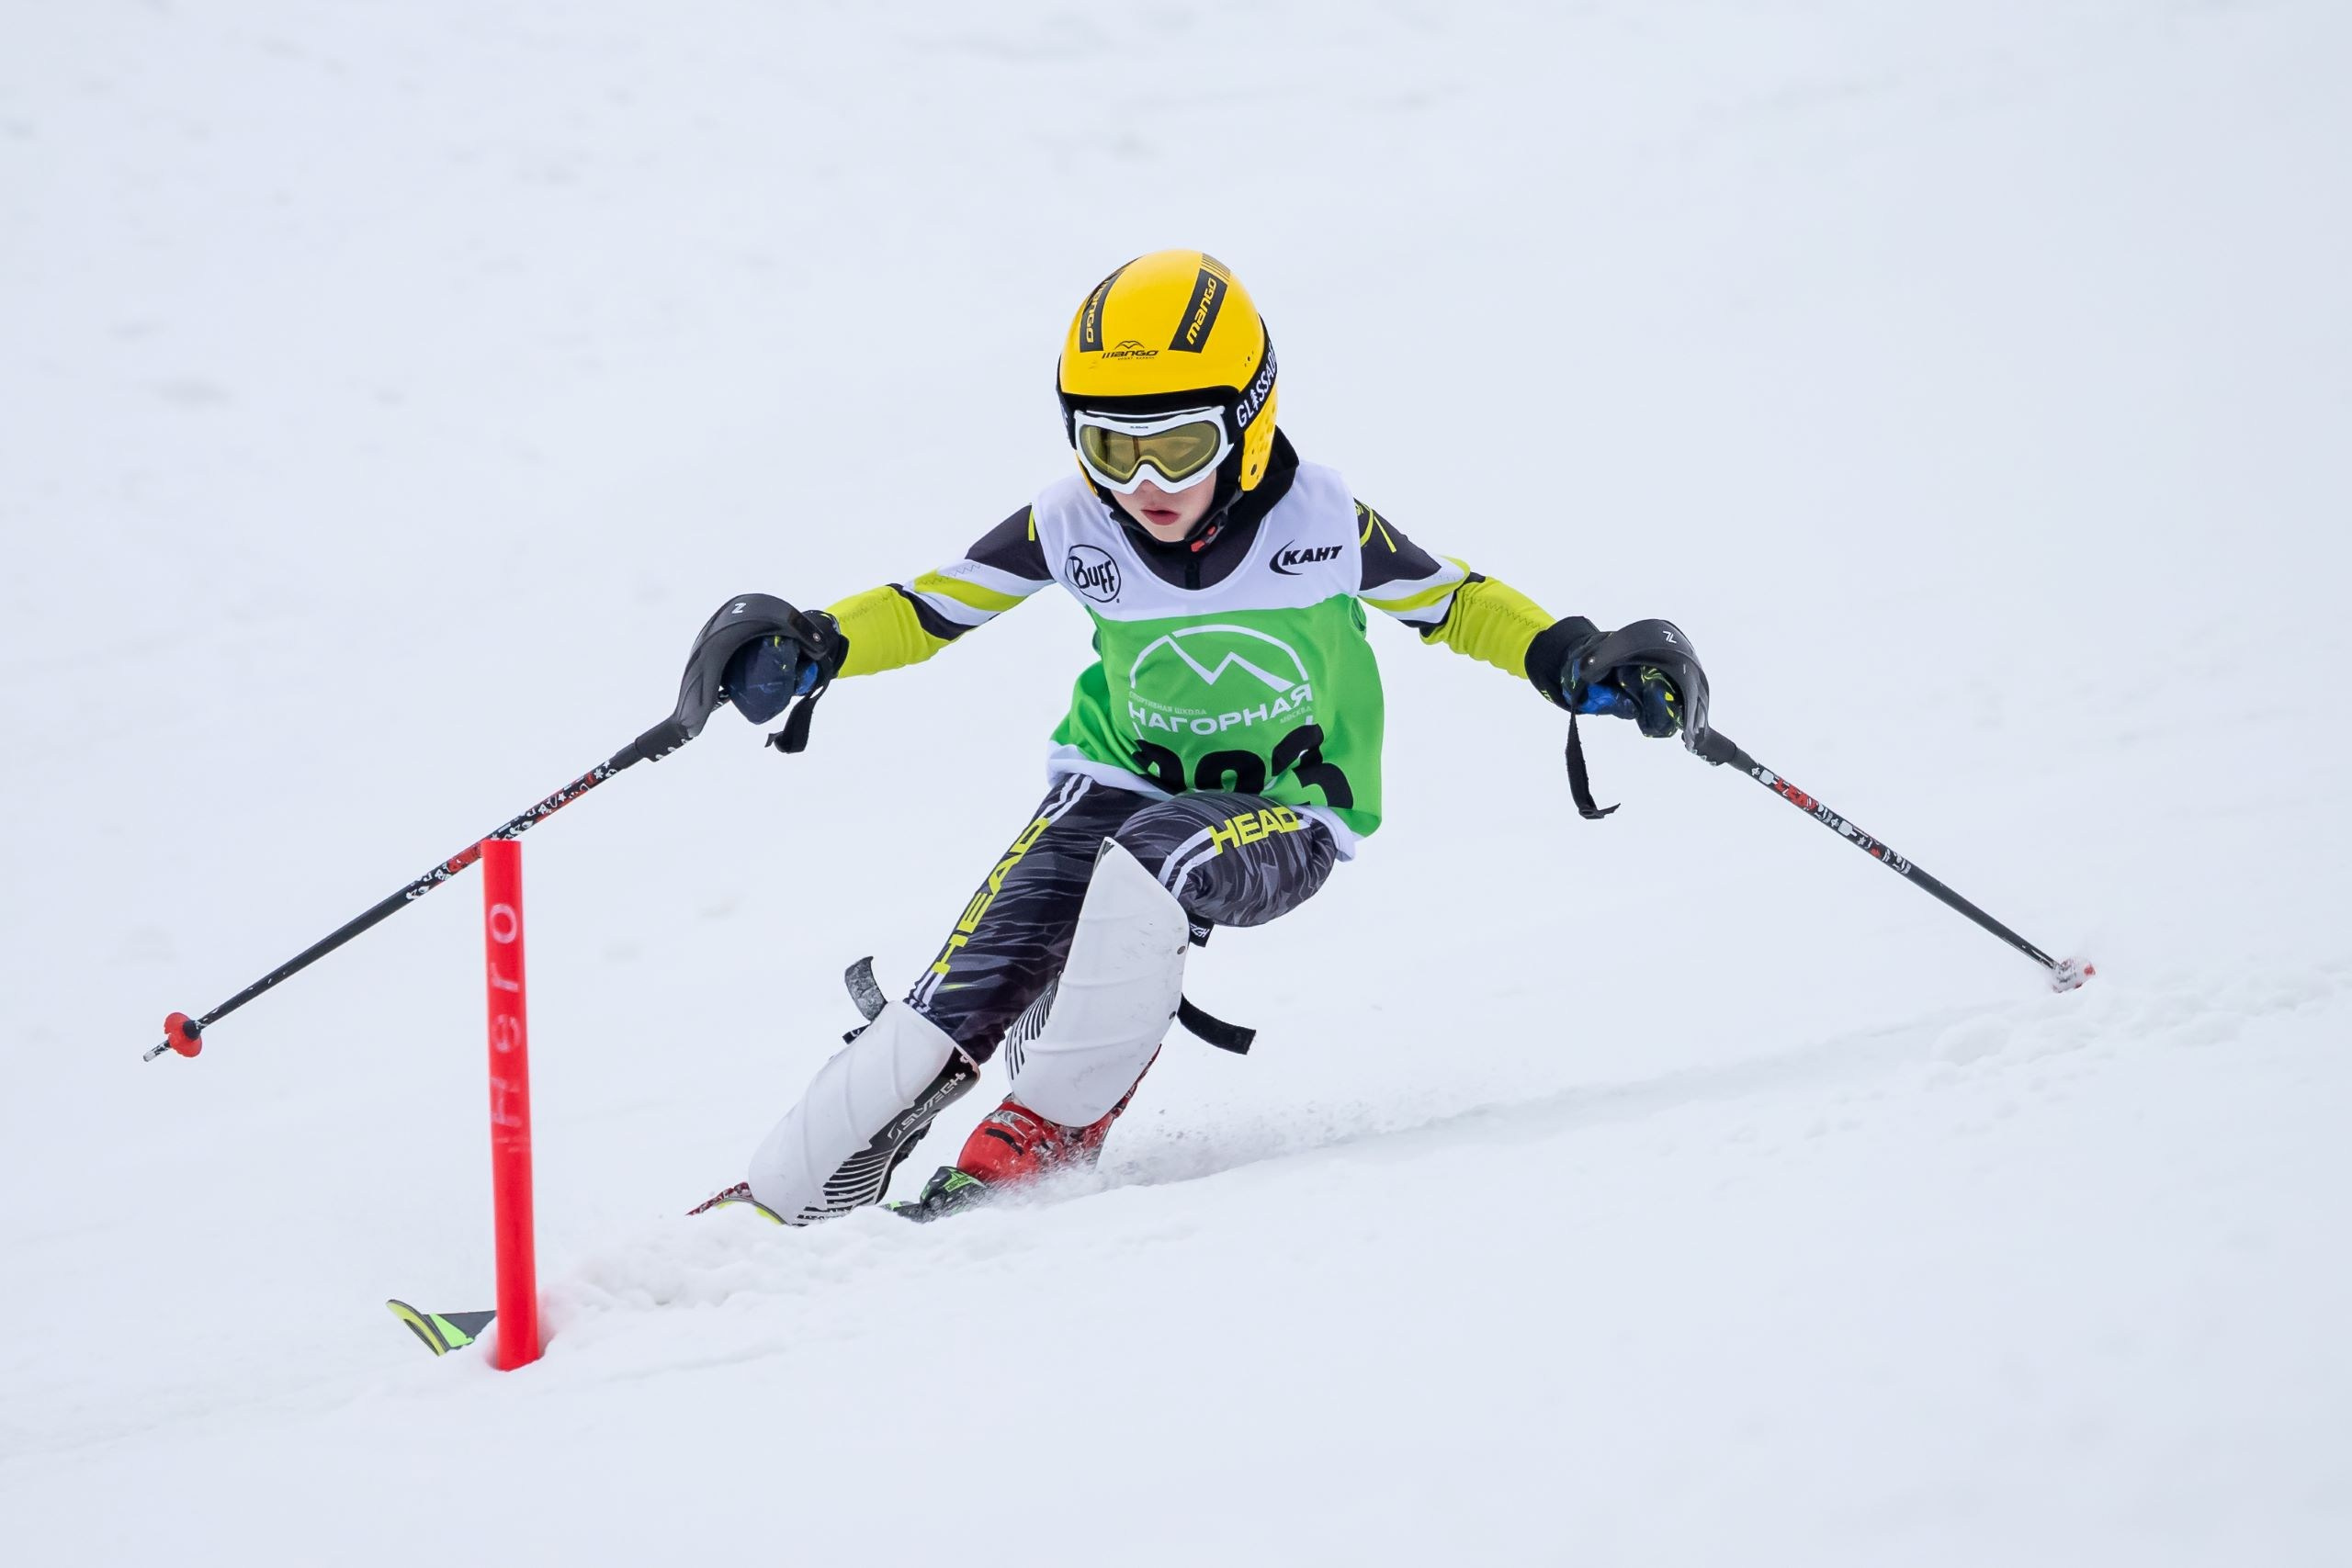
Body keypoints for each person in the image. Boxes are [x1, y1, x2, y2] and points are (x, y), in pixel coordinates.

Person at [677, 249, 1706, 1224]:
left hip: (1290, 812)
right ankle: (782, 1199)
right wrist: (814, 643)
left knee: (1153, 861)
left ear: (1249, 424)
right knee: (973, 971)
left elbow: (1457, 604)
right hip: (1113, 780)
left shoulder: (1318, 523)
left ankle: (1045, 1128)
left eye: (1178, 446)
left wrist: (1573, 658)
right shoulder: (1073, 522)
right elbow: (929, 606)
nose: (1144, 486)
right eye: (1109, 447)